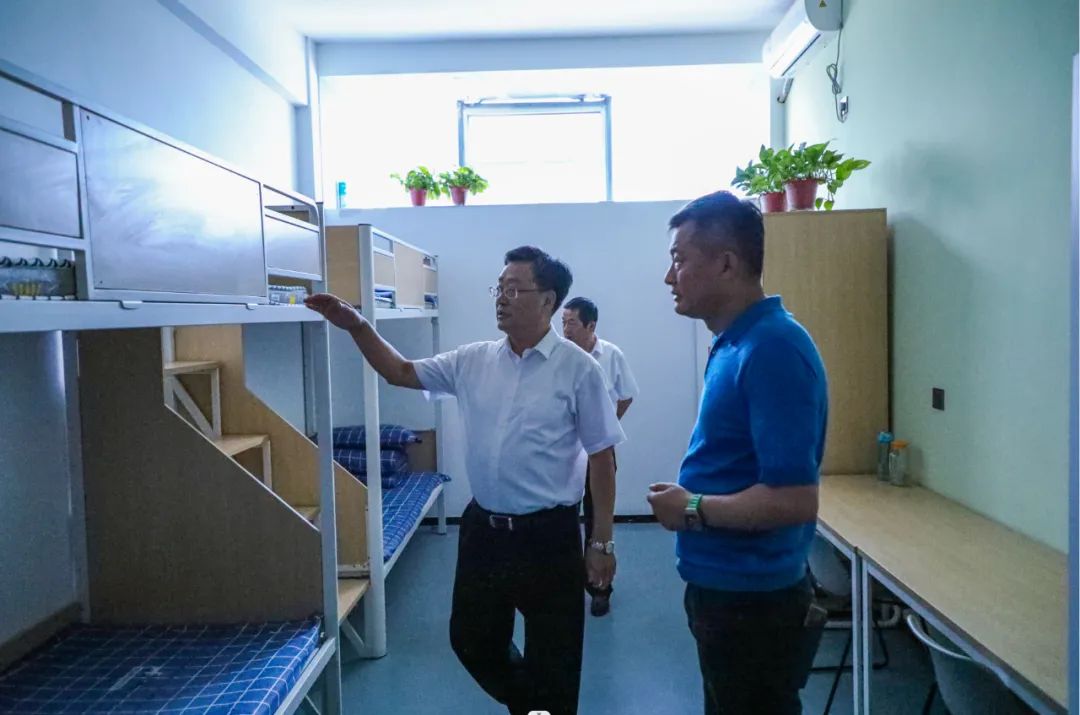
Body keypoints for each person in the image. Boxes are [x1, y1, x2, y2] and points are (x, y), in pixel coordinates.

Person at [306, 246, 623, 715]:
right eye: (499, 287)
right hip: (484, 531)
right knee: (471, 640)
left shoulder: (579, 369)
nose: (501, 297)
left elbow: (601, 456)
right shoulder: (473, 360)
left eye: (514, 288)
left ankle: (544, 703)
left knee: (555, 657)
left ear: (548, 300)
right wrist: (357, 325)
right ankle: (531, 702)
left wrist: (601, 543)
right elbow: (399, 372)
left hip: (548, 536)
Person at [646, 191, 828, 715]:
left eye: (679, 259)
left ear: (726, 264)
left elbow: (795, 500)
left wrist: (692, 507)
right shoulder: (735, 342)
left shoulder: (773, 348)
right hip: (725, 590)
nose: (669, 276)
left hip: (753, 601)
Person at [562, 296, 639, 617]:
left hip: (598, 453)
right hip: (565, 452)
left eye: (571, 323)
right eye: (562, 322)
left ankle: (599, 589)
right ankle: (566, 584)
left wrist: (604, 429)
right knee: (564, 518)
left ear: (591, 325)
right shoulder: (559, 356)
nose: (565, 329)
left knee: (598, 518)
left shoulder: (611, 355)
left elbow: (627, 395)